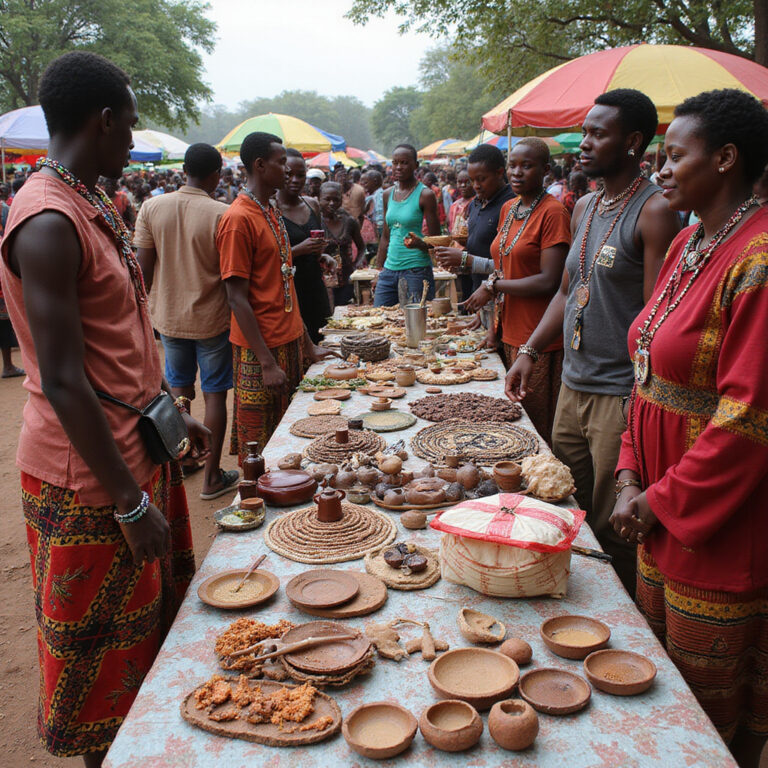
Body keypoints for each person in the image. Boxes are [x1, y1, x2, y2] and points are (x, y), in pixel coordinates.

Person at [0, 51, 209, 767]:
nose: (134, 136)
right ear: (104, 120)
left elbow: (117, 345)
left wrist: (174, 414)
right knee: (103, 662)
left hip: (135, 446)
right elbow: (60, 377)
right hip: (92, 477)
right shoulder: (48, 220)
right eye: (129, 123)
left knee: (148, 630)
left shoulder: (91, 203)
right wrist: (124, 501)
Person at [610, 89, 768, 768]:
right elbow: (647, 371)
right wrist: (625, 474)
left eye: (675, 155)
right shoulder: (687, 240)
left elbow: (748, 419)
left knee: (705, 730)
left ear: (726, 159)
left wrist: (658, 501)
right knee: (656, 697)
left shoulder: (758, 261)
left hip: (716, 529)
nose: (660, 167)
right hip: (654, 512)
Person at [505, 89, 681, 593]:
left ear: (631, 143)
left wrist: (640, 401)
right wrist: (530, 351)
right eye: (584, 131)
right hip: (574, 386)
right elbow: (566, 289)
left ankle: (621, 631)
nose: (583, 143)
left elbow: (656, 318)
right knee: (562, 502)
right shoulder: (584, 205)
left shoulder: (654, 211)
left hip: (619, 395)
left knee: (613, 526)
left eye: (596, 134)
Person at [217, 132, 335, 464]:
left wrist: (308, 345)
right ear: (259, 165)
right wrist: (266, 362)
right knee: (258, 445)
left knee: (291, 436)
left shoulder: (270, 212)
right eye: (282, 162)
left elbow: (286, 282)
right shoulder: (238, 220)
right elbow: (236, 298)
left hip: (291, 342)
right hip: (260, 352)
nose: (287, 170)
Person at [134, 142, 239, 499]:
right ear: (216, 175)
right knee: (214, 396)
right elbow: (231, 276)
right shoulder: (222, 213)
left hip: (168, 318)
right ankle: (211, 478)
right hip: (211, 319)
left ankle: (183, 463)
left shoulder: (152, 207)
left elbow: (142, 273)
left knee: (178, 392)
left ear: (183, 171)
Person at [462, 139, 571, 444]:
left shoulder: (553, 213)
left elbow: (549, 281)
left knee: (536, 428)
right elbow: (503, 265)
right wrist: (493, 328)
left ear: (545, 170)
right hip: (508, 331)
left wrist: (492, 286)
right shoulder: (510, 208)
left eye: (527, 165)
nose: (517, 172)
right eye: (513, 165)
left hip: (540, 338)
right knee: (513, 423)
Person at [434, 144, 514, 309]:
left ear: (499, 173)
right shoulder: (475, 204)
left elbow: (510, 262)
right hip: (476, 291)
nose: (476, 185)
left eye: (481, 179)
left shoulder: (511, 204)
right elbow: (477, 246)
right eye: (472, 180)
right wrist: (458, 260)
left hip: (504, 295)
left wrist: (465, 259)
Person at [275, 148, 332, 343]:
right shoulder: (271, 209)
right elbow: (268, 259)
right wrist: (300, 249)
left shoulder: (312, 205)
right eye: (290, 174)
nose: (295, 180)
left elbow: (315, 250)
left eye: (301, 175)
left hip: (315, 288)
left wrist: (323, 256)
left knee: (322, 341)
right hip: (289, 293)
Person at [373, 144, 441, 306]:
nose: (398, 167)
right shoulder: (387, 194)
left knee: (417, 322)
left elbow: (438, 241)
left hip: (416, 270)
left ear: (415, 166)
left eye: (404, 162)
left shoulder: (425, 195)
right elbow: (385, 236)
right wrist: (378, 270)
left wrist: (420, 243)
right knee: (380, 317)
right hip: (389, 270)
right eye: (395, 162)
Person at [318, 180, 365, 307]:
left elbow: (361, 247)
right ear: (319, 199)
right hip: (322, 282)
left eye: (336, 199)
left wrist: (356, 264)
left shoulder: (349, 221)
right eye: (327, 199)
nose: (332, 203)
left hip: (346, 280)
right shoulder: (314, 222)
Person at [446, 168, 474, 236]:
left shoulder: (476, 203)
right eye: (460, 182)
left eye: (467, 182)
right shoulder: (455, 205)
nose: (463, 185)